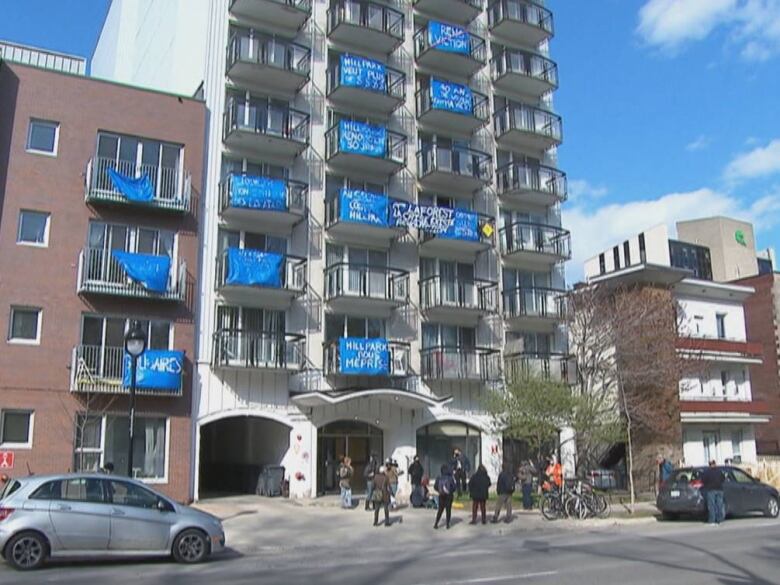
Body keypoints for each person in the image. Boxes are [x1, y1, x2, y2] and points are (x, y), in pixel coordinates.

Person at [701, 460, 725, 525]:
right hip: (719, 489)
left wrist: (706, 485)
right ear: (715, 464)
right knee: (719, 505)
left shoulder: (707, 472)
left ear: (709, 465)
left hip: (711, 490)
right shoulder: (719, 471)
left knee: (711, 506)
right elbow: (723, 479)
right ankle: (720, 520)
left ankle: (712, 520)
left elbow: (703, 480)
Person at [434, 464, 456, 529]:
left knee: (440, 510)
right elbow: (454, 487)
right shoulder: (450, 478)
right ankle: (447, 524)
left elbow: (435, 486)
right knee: (448, 510)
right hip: (449, 496)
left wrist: (440, 491)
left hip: (441, 495)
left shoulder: (439, 477)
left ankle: (436, 523)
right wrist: (450, 491)